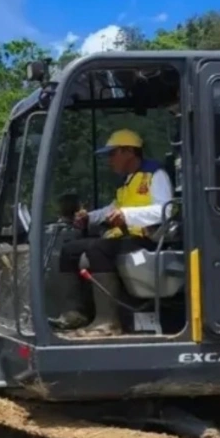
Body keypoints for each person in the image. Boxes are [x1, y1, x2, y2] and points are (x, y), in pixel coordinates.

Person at [50, 128, 173, 336]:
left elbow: (166, 210)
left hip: (147, 237)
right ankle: (75, 313)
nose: (110, 160)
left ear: (129, 152)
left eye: (113, 153)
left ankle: (108, 321)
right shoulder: (127, 181)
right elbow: (113, 209)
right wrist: (90, 217)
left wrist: (127, 215)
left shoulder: (155, 174)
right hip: (124, 236)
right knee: (70, 250)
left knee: (99, 249)